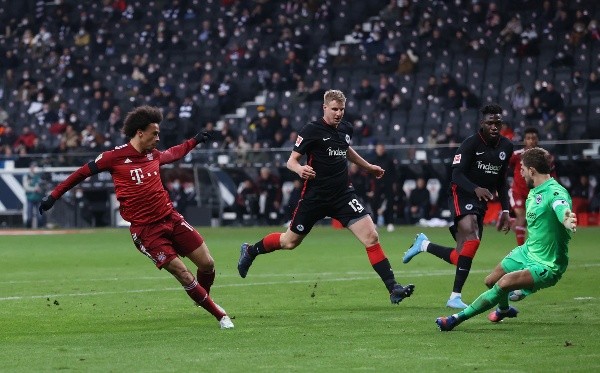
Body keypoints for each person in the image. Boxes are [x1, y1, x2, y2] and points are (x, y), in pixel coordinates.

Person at [38, 105, 234, 329]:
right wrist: (53, 196)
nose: (158, 138)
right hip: (146, 231)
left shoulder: (153, 154)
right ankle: (220, 315)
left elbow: (174, 153)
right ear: (140, 132)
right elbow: (80, 173)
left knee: (207, 264)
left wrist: (195, 140)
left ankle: (203, 299)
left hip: (170, 218)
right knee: (182, 272)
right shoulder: (113, 157)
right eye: (155, 133)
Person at [237, 90, 415, 304]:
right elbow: (291, 161)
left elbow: (346, 149)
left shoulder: (346, 129)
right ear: (324, 108)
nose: (339, 113)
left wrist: (368, 167)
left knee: (371, 236)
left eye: (341, 109)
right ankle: (251, 250)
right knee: (289, 242)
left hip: (342, 194)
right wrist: (299, 169)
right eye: (334, 109)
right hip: (316, 197)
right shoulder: (311, 130)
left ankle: (393, 288)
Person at [436, 147, 577, 331]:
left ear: (532, 170)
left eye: (522, 169)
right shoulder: (534, 191)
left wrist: (567, 219)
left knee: (504, 284)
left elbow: (561, 207)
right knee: (491, 281)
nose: (520, 173)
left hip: (547, 263)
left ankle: (454, 320)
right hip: (527, 251)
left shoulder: (555, 192)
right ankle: (503, 309)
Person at [402, 103, 514, 309]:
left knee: (462, 254)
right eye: (491, 122)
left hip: (480, 201)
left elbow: (501, 181)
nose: (495, 126)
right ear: (482, 124)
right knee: (472, 237)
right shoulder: (470, 144)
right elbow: (456, 175)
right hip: (461, 193)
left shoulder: (506, 147)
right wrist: (476, 189)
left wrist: (506, 210)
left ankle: (424, 245)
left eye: (498, 122)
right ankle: (454, 297)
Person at [508, 127, 554, 246]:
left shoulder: (545, 157)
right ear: (524, 141)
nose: (531, 141)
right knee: (522, 218)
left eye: (533, 138)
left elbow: (551, 174)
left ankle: (512, 221)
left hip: (536, 193)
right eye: (528, 138)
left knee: (535, 221)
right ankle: (522, 249)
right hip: (518, 191)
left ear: (537, 140)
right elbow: (503, 167)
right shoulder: (517, 155)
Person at [22, 162, 46, 228]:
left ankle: (40, 228)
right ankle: (28, 228)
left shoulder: (39, 176)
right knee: (29, 216)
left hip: (38, 198)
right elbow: (25, 187)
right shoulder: (27, 176)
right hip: (30, 198)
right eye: (33, 167)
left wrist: (41, 188)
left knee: (40, 215)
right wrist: (34, 189)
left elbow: (43, 185)